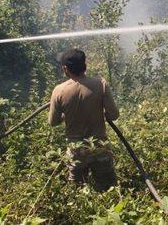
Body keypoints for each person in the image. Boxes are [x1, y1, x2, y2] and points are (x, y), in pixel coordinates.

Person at [49, 48, 119, 191]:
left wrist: (65, 115)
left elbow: (53, 122)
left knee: (77, 191)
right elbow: (114, 115)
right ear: (85, 65)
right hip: (99, 147)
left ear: (65, 69)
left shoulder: (59, 90)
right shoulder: (101, 84)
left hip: (76, 151)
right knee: (108, 189)